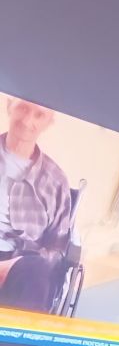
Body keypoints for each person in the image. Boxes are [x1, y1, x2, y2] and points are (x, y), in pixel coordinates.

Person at [0, 96, 72, 312]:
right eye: (23, 108)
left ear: (49, 123)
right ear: (9, 107)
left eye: (39, 115)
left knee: (38, 272)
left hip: (23, 262)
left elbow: (58, 247)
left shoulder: (56, 180)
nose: (27, 120)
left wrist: (13, 265)